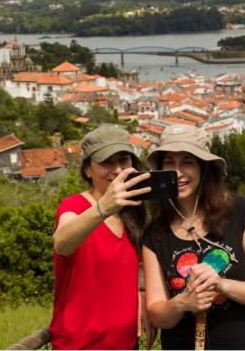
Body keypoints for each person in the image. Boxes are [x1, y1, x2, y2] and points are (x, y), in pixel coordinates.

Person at [142, 125, 245, 350]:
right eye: (169, 163)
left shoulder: (243, 212)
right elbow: (157, 314)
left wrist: (221, 284)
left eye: (187, 162)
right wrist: (182, 303)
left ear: (204, 168)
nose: (178, 172)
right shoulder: (155, 234)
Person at [50, 124, 155, 349]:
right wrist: (102, 208)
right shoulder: (74, 206)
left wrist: (142, 289)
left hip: (126, 343)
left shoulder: (132, 212)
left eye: (124, 160)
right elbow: (62, 242)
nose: (117, 170)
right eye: (107, 162)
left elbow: (133, 263)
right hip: (80, 345)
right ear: (88, 169)